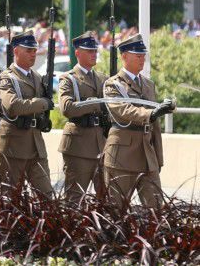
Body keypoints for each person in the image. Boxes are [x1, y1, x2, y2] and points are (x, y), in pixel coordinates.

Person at [103, 34, 174, 208]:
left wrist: (158, 157)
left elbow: (155, 125)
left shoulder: (148, 84)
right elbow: (123, 111)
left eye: (143, 55)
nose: (142, 59)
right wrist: (151, 113)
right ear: (124, 56)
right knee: (116, 212)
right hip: (122, 157)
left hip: (147, 158)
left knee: (156, 211)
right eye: (138, 55)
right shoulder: (113, 85)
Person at [0, 30, 53, 196]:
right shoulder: (7, 77)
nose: (33, 54)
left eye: (34, 50)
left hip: (36, 145)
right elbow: (12, 106)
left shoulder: (37, 77)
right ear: (16, 51)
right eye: (28, 50)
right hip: (13, 146)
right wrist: (42, 104)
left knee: (46, 196)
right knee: (9, 198)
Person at [58, 31, 108, 201]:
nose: (94, 54)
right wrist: (94, 103)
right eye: (90, 51)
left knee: (106, 198)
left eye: (95, 51)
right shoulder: (69, 79)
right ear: (78, 53)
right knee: (74, 198)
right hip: (78, 145)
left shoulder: (102, 79)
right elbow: (67, 108)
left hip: (101, 144)